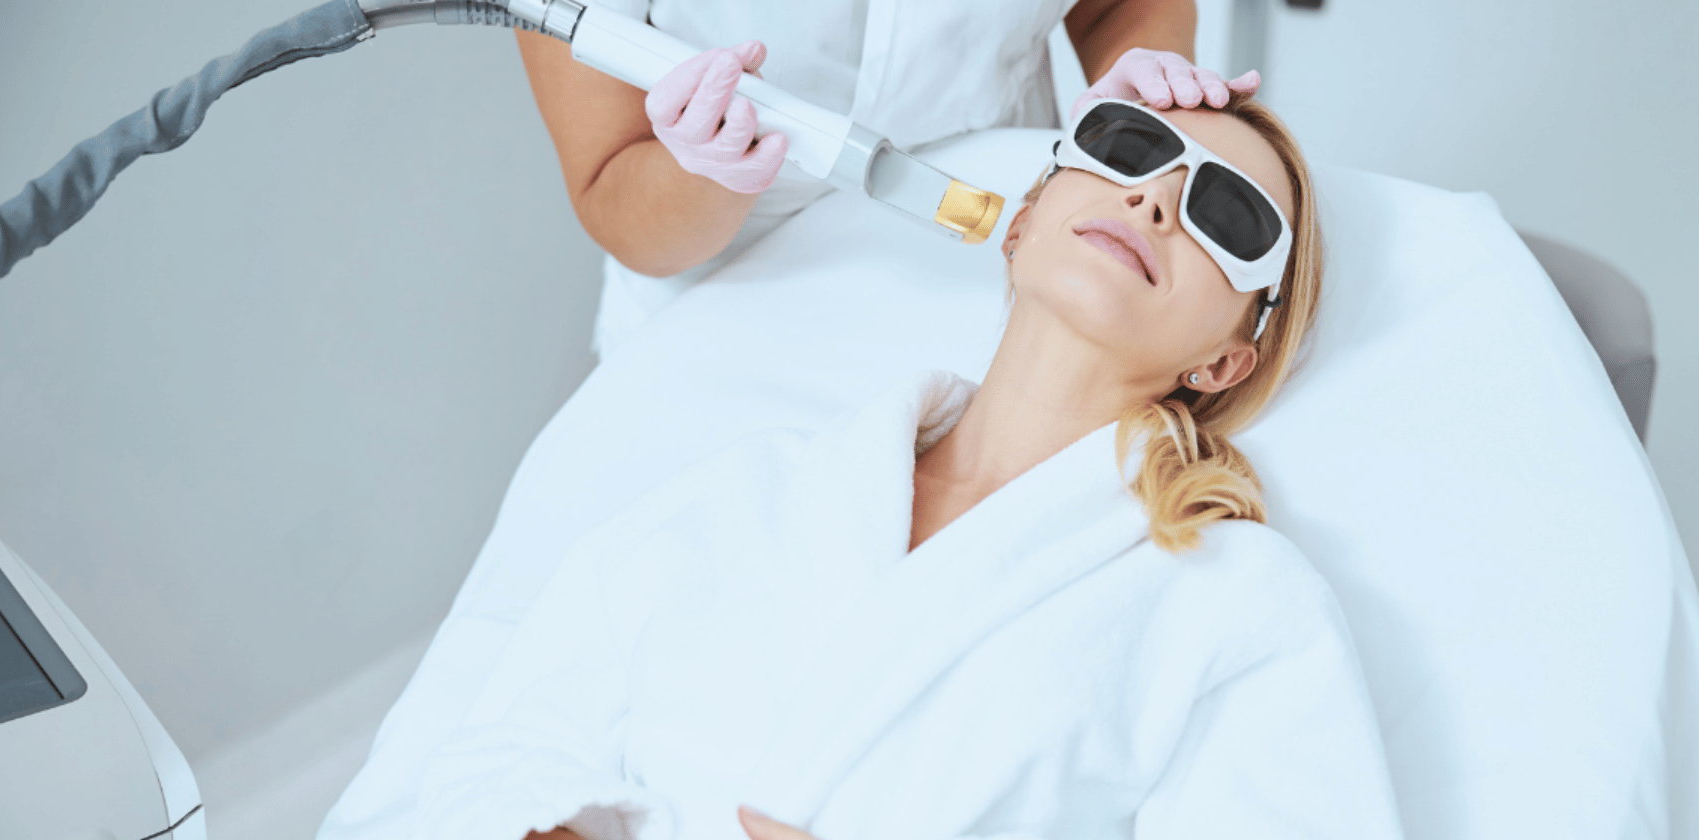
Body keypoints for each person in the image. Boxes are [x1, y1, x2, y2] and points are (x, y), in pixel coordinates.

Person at [403, 92, 1402, 840]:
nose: (1154, 198)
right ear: (1021, 221)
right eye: (1129, 148)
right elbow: (509, 738)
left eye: (1226, 217)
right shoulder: (758, 488)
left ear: (1229, 355)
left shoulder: (1238, 604)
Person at [514, 0, 1262, 356]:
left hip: (991, 261)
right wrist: (707, 166)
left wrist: (1142, 114)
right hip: (718, 293)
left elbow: (1121, 4)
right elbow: (610, 178)